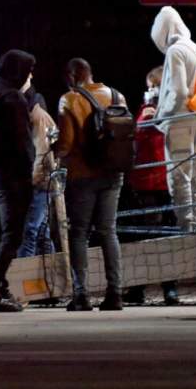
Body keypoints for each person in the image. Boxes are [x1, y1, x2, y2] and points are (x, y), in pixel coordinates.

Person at [55, 58, 126, 311]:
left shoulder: (70, 99)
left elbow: (66, 143)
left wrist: (53, 150)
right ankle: (115, 293)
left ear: (73, 75)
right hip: (113, 173)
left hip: (82, 175)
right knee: (109, 231)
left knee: (79, 233)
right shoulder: (117, 97)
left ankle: (81, 295)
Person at [0, 49, 36, 312]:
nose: (31, 75)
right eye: (29, 70)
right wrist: (28, 173)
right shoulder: (13, 99)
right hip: (11, 177)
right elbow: (22, 144)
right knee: (12, 235)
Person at [123, 66, 180, 305]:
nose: (149, 91)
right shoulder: (147, 109)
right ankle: (143, 288)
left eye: (152, 86)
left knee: (158, 235)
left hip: (158, 180)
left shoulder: (165, 110)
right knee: (148, 236)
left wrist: (149, 118)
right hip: (151, 179)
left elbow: (145, 135)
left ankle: (165, 287)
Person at [150, 6, 196, 233]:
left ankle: (186, 226)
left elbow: (179, 92)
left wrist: (161, 116)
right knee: (195, 176)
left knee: (179, 177)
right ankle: (193, 220)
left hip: (180, 122)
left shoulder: (176, 51)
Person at [17, 86, 56, 258]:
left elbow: (43, 152)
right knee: (41, 231)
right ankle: (53, 272)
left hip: (39, 182)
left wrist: (34, 180)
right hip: (39, 180)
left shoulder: (38, 118)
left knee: (30, 230)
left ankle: (24, 276)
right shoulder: (36, 117)